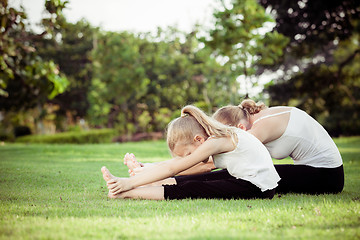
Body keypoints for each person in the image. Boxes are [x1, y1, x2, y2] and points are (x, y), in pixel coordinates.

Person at [101, 105, 280, 200]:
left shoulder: (216, 141)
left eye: (187, 154)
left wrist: (128, 184)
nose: (187, 159)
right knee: (197, 178)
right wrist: (146, 169)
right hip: (251, 181)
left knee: (193, 188)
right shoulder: (219, 136)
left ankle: (125, 193)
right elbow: (176, 165)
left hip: (258, 188)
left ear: (198, 140)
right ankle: (142, 186)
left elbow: (174, 168)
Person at [212, 99, 344, 194]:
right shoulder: (261, 117)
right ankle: (190, 181)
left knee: (247, 175)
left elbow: (218, 160)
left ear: (238, 126)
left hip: (327, 176)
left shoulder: (262, 125)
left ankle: (191, 184)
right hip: (317, 171)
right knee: (240, 171)